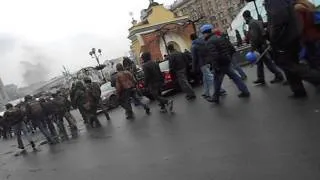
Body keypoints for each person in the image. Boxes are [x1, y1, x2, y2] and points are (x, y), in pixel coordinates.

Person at [264, 0, 320, 98]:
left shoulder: (274, 2)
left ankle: (315, 78)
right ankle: (298, 90)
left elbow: (279, 18)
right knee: (291, 62)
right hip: (294, 35)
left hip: (286, 37)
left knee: (286, 63)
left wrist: (273, 36)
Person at [201, 24, 250, 104]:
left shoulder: (209, 41)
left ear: (204, 33)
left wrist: (215, 66)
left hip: (220, 63)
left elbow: (214, 55)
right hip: (226, 60)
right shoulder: (218, 37)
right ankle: (245, 91)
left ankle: (215, 97)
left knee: (217, 80)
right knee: (234, 76)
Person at [243, 10, 284, 85]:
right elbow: (266, 26)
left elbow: (254, 37)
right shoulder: (257, 21)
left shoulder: (252, 24)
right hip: (262, 44)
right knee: (259, 62)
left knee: (268, 62)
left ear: (245, 17)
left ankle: (278, 75)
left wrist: (252, 49)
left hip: (260, 46)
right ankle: (261, 78)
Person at [190, 33, 227, 99]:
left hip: (202, 63)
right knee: (205, 78)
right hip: (208, 61)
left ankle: (221, 90)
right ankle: (206, 92)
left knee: (210, 77)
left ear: (191, 39)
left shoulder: (194, 46)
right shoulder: (203, 41)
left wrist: (193, 67)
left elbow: (194, 58)